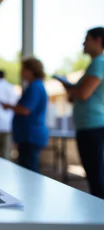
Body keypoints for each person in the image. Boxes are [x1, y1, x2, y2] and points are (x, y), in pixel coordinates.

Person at [64, 27, 104, 199]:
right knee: (95, 176)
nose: (83, 43)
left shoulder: (99, 62)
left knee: (96, 178)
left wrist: (73, 90)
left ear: (99, 40)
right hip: (89, 126)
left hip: (92, 127)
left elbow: (83, 93)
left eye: (87, 39)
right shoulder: (95, 63)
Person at [2, 58, 48, 173]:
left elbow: (26, 109)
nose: (21, 72)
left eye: (23, 69)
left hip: (30, 136)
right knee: (27, 168)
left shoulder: (35, 87)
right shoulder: (35, 86)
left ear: (30, 70)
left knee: (29, 171)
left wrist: (9, 106)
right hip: (28, 136)